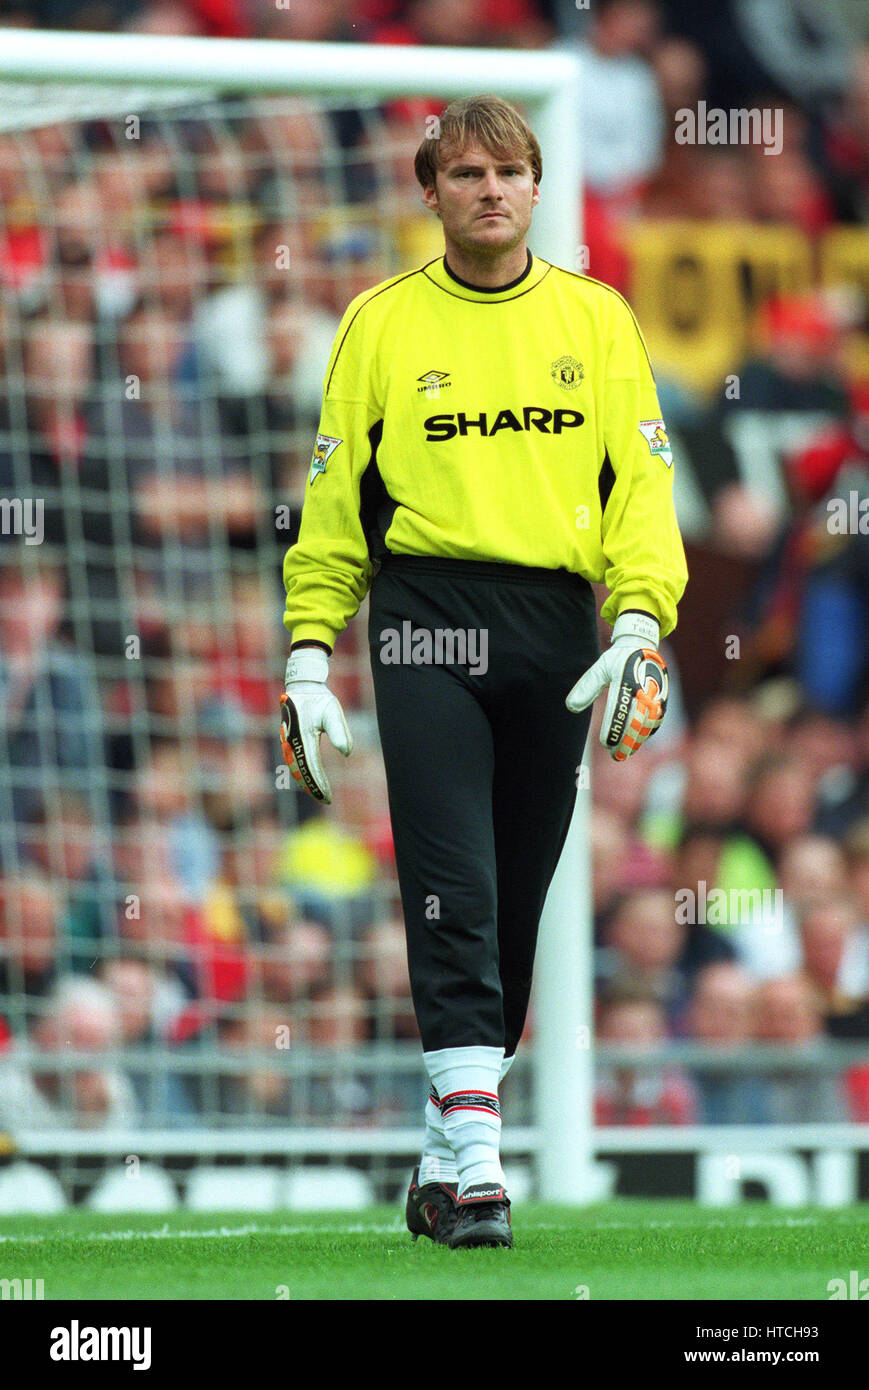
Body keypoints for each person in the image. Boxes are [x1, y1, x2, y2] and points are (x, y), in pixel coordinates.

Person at [280, 96, 687, 1248]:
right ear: (429, 191)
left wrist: (641, 623)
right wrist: (309, 654)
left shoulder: (599, 321)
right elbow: (331, 506)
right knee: (450, 878)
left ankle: (440, 1147)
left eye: (509, 170)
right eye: (465, 173)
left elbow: (640, 491)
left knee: (511, 907)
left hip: (557, 626)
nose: (490, 189)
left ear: (538, 185)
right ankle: (480, 1175)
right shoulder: (378, 324)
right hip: (426, 615)